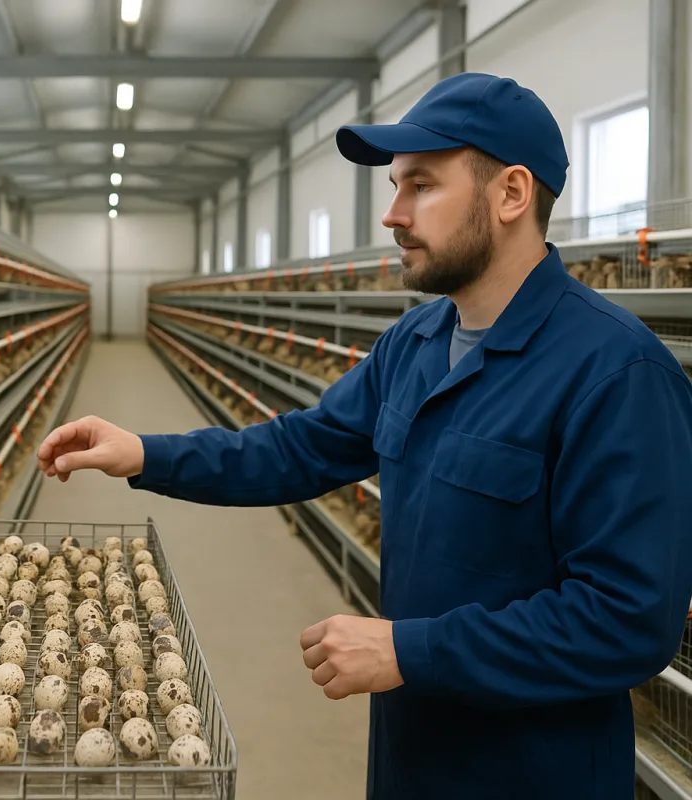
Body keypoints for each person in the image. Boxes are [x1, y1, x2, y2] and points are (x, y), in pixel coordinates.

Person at [35, 72, 692, 800]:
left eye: (420, 186)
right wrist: (147, 453)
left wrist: (410, 648)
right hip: (412, 750)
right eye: (395, 187)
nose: (392, 214)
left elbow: (630, 620)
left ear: (511, 193)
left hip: (533, 770)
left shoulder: (617, 373)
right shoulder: (414, 341)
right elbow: (304, 447)